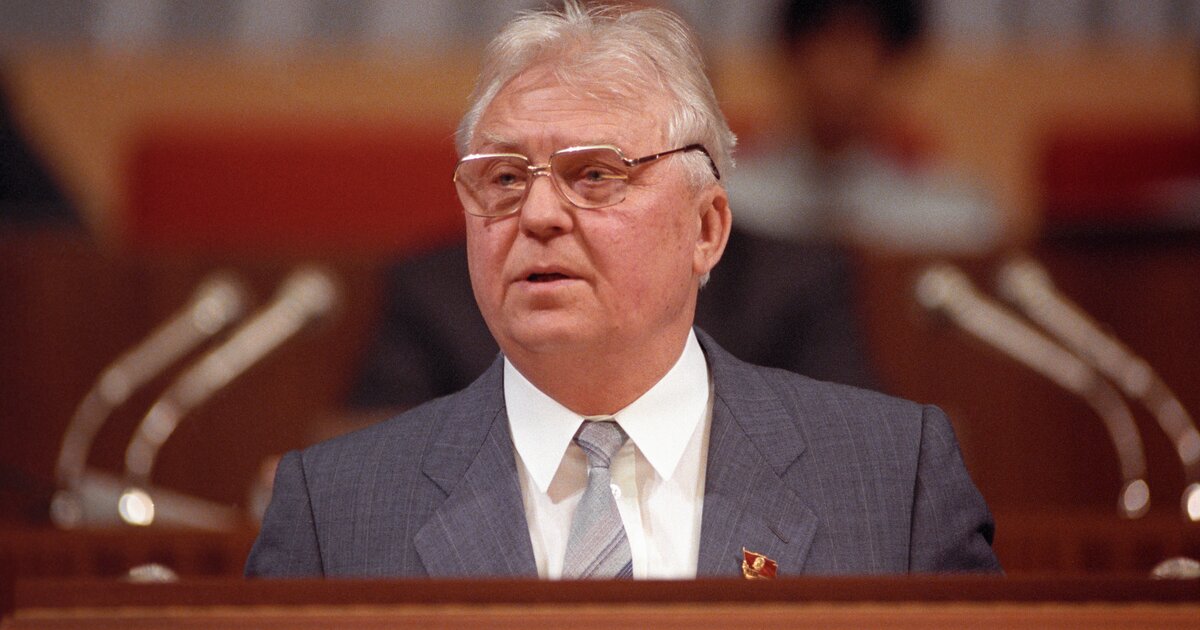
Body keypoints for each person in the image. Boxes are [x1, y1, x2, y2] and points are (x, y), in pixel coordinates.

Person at [247, 1, 999, 578]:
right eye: (504, 178)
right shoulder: (331, 511)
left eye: (595, 174)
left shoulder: (893, 480)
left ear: (707, 227)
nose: (537, 214)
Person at [730, 0, 1002, 254]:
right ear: (792, 52)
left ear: (891, 60)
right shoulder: (733, 203)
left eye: (861, 43)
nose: (841, 63)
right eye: (825, 37)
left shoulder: (951, 214)